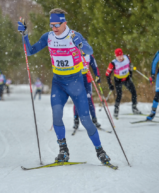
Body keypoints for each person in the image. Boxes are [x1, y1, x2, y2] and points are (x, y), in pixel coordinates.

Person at [18, 8, 112, 164]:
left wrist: (80, 44)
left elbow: (90, 50)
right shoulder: (48, 37)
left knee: (86, 120)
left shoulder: (74, 36)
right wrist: (25, 35)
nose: (54, 28)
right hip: (58, 83)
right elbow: (29, 52)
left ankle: (100, 151)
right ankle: (63, 150)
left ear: (64, 23)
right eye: (51, 25)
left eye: (57, 25)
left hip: (76, 82)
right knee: (56, 115)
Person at [105, 48, 141, 119]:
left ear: (122, 54)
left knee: (134, 92)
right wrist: (110, 84)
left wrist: (130, 73)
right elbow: (107, 74)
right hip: (118, 80)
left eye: (121, 55)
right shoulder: (113, 63)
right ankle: (116, 110)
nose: (120, 58)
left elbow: (129, 66)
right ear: (115, 56)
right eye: (118, 56)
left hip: (127, 79)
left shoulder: (127, 57)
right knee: (119, 95)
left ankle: (134, 108)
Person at [73, 54, 101, 129]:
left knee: (89, 99)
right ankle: (76, 120)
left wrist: (97, 75)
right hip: (77, 79)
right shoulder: (74, 54)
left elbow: (95, 67)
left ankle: (94, 119)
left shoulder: (89, 56)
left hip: (87, 79)